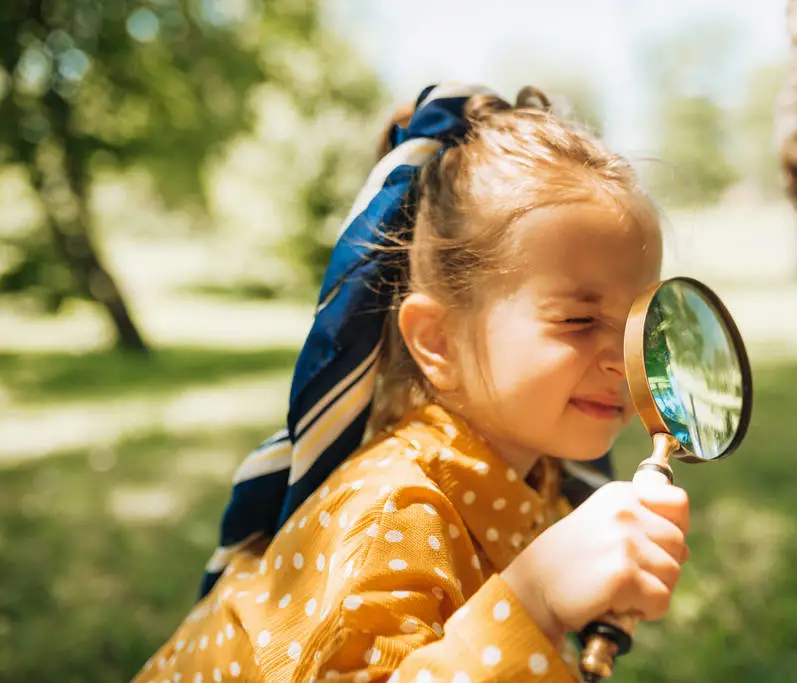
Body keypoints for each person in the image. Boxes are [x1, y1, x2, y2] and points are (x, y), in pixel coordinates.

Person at [133, 83, 690, 683]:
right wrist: (536, 603)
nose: (621, 360)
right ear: (438, 341)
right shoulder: (391, 511)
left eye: (637, 323)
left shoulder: (539, 475)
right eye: (579, 320)